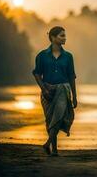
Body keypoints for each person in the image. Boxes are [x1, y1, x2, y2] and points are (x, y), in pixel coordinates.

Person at [32, 26, 77, 156]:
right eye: (61, 35)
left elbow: (71, 77)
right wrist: (43, 89)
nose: (65, 38)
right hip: (47, 91)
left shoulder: (68, 56)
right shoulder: (42, 55)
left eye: (65, 35)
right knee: (50, 119)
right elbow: (36, 73)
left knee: (58, 117)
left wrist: (75, 96)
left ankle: (47, 144)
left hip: (63, 89)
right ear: (52, 37)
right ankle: (54, 149)